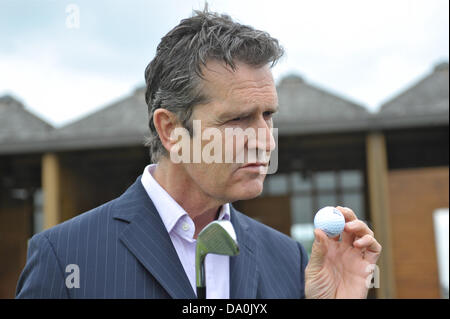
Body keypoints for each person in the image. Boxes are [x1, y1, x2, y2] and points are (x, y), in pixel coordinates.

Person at [16, 8, 381, 299]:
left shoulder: (289, 259)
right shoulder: (64, 256)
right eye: (238, 119)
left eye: (267, 116)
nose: (266, 141)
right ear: (171, 130)